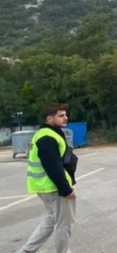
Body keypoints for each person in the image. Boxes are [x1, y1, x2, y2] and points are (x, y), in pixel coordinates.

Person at [17, 103, 78, 253]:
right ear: (49, 119)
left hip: (44, 186)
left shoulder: (44, 133)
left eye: (65, 115)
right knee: (64, 224)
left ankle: (26, 251)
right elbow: (53, 166)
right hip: (53, 188)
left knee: (51, 220)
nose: (65, 118)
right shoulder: (47, 137)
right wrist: (65, 189)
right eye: (61, 115)